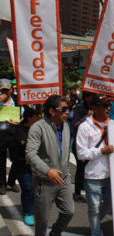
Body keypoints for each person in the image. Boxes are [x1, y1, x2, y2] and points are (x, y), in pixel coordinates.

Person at [25, 95, 74, 236]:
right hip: (45, 180)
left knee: (69, 211)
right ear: (52, 111)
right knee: (42, 220)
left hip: (63, 178)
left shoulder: (66, 126)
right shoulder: (37, 128)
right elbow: (30, 154)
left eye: (68, 108)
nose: (67, 112)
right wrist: (47, 171)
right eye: (64, 109)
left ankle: (55, 232)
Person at [76, 94, 114, 236]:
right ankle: (96, 232)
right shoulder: (84, 127)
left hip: (112, 174)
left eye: (109, 105)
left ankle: (96, 223)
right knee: (94, 208)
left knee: (110, 204)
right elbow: (81, 154)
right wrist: (101, 151)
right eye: (105, 105)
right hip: (93, 175)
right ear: (94, 108)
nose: (108, 108)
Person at [13, 108, 41, 226]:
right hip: (23, 166)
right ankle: (28, 213)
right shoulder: (20, 130)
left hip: (37, 166)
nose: (39, 119)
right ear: (29, 118)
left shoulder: (40, 128)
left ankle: (32, 206)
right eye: (36, 117)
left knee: (37, 190)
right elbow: (26, 145)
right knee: (28, 189)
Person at [71, 91, 97, 202]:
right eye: (93, 96)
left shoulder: (97, 107)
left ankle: (92, 193)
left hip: (93, 143)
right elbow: (75, 125)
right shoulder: (79, 108)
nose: (95, 97)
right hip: (80, 143)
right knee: (81, 168)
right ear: (86, 98)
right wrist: (87, 117)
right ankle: (77, 193)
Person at [0, 81, 22, 195]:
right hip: (1, 133)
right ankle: (2, 184)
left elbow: (23, 117)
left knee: (16, 159)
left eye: (6, 90)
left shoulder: (17, 101)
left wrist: (17, 123)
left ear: (10, 90)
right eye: (2, 90)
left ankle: (12, 181)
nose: (4, 92)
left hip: (14, 132)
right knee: (1, 161)